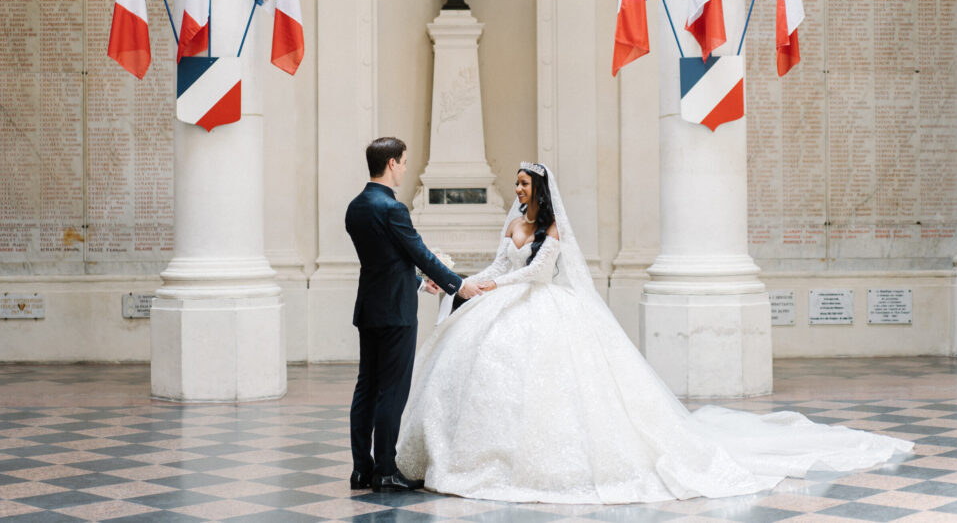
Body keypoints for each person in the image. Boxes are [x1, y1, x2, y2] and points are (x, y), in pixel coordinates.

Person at [396, 162, 913, 504]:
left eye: (525, 185)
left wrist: (490, 288)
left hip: (539, 303)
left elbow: (535, 274)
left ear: (541, 190)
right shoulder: (512, 222)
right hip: (502, 299)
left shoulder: (551, 230)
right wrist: (469, 283)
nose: (518, 191)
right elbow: (499, 261)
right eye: (517, 185)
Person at [345, 137, 483, 493]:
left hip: (370, 307)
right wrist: (457, 285)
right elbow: (417, 252)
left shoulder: (356, 207)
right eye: (404, 162)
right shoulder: (392, 209)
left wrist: (422, 285)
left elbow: (387, 260)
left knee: (367, 387)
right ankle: (387, 470)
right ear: (391, 163)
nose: (405, 168)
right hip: (395, 313)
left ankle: (362, 469)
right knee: (391, 390)